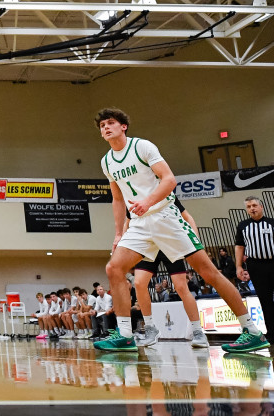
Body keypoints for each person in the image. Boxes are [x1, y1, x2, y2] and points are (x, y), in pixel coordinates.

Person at [93, 107, 268, 353]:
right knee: (114, 268)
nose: (106, 128)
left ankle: (251, 330)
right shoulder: (106, 161)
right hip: (140, 224)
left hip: (165, 216)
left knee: (209, 273)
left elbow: (169, 180)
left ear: (123, 126)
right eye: (102, 126)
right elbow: (118, 199)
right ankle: (125, 334)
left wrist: (148, 202)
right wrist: (118, 233)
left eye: (110, 123)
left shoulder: (142, 147)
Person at [130, 196, 210, 348]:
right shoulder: (134, 194)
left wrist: (195, 240)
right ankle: (150, 328)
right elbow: (128, 222)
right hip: (148, 244)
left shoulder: (165, 193)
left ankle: (198, 331)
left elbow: (187, 217)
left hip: (169, 242)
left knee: (181, 287)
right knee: (139, 283)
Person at [235, 195, 274, 347]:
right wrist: (239, 266)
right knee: (265, 301)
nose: (252, 208)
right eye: (249, 206)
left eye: (254, 205)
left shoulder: (272, 223)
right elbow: (239, 247)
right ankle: (271, 334)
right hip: (256, 266)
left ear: (261, 207)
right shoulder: (243, 226)